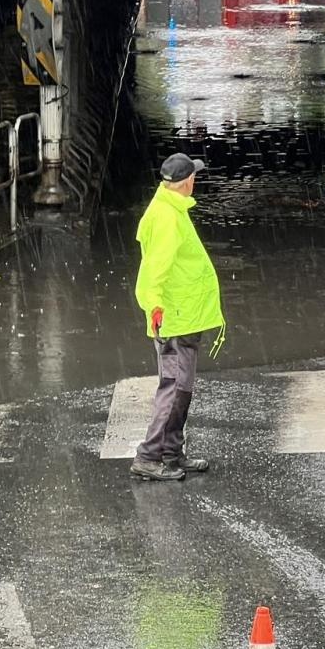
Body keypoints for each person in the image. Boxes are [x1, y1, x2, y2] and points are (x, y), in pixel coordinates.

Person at [131, 152, 225, 481]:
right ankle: (148, 456)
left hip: (184, 316)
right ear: (187, 182)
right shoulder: (167, 218)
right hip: (174, 318)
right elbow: (154, 271)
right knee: (173, 388)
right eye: (194, 176)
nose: (195, 180)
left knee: (182, 387)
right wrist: (156, 308)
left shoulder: (170, 208)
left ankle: (172, 452)